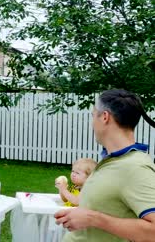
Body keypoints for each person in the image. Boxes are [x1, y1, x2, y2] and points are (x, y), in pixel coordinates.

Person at [54, 89, 155, 241]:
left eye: (93, 115)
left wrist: (94, 219)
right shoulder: (112, 160)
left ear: (105, 117)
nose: (92, 122)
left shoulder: (135, 167)